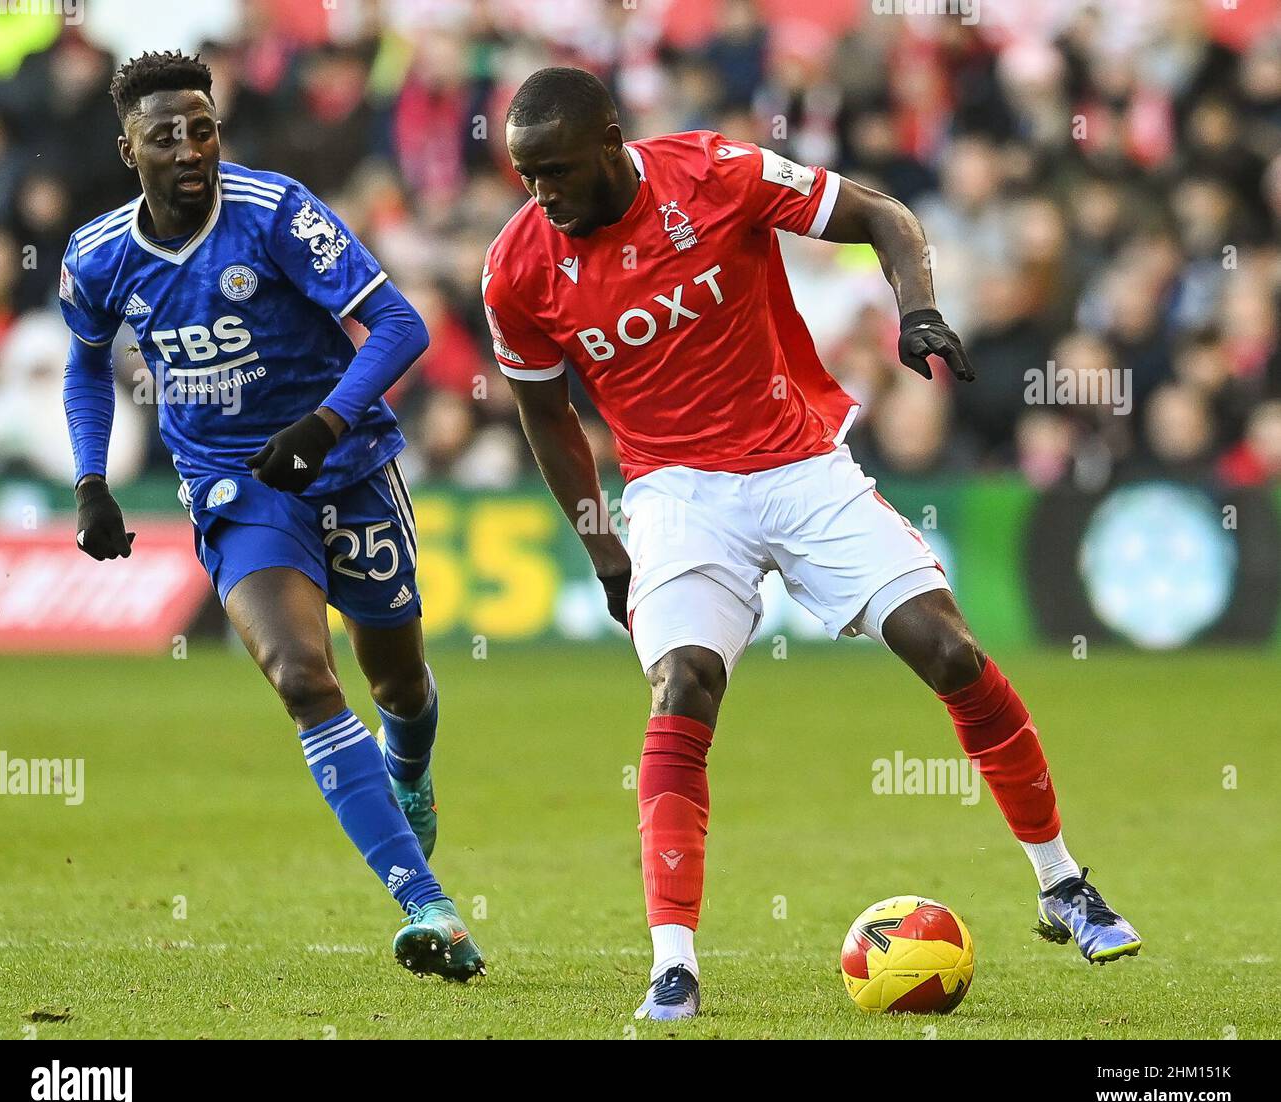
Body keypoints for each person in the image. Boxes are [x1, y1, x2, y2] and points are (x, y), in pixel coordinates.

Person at [484, 67, 1139, 1021]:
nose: (541, 195)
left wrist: (917, 308)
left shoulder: (716, 172)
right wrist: (606, 552)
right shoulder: (518, 268)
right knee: (683, 685)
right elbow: (547, 420)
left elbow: (885, 215)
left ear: (613, 142)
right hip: (674, 493)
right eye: (525, 177)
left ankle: (1061, 883)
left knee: (951, 650)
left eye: (556, 172)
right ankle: (674, 963)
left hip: (800, 464)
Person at [59, 50, 484, 981]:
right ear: (127, 147)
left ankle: (407, 768)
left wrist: (324, 423)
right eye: (163, 134)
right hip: (232, 483)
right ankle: (429, 908)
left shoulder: (276, 212)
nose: (188, 149)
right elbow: (88, 362)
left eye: (201, 129)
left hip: (350, 464)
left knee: (400, 687)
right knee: (300, 674)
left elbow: (401, 324)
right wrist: (92, 480)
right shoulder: (97, 256)